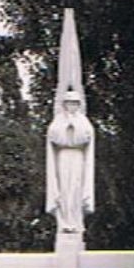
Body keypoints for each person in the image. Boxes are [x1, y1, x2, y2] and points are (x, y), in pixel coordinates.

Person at [45, 88, 96, 234]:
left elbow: (87, 137)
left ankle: (76, 220)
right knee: (64, 188)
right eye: (69, 103)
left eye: (74, 103)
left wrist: (75, 128)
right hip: (63, 156)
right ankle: (64, 220)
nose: (71, 106)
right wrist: (65, 128)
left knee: (76, 188)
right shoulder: (59, 120)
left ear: (78, 105)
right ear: (64, 105)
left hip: (78, 156)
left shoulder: (83, 120)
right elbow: (53, 137)